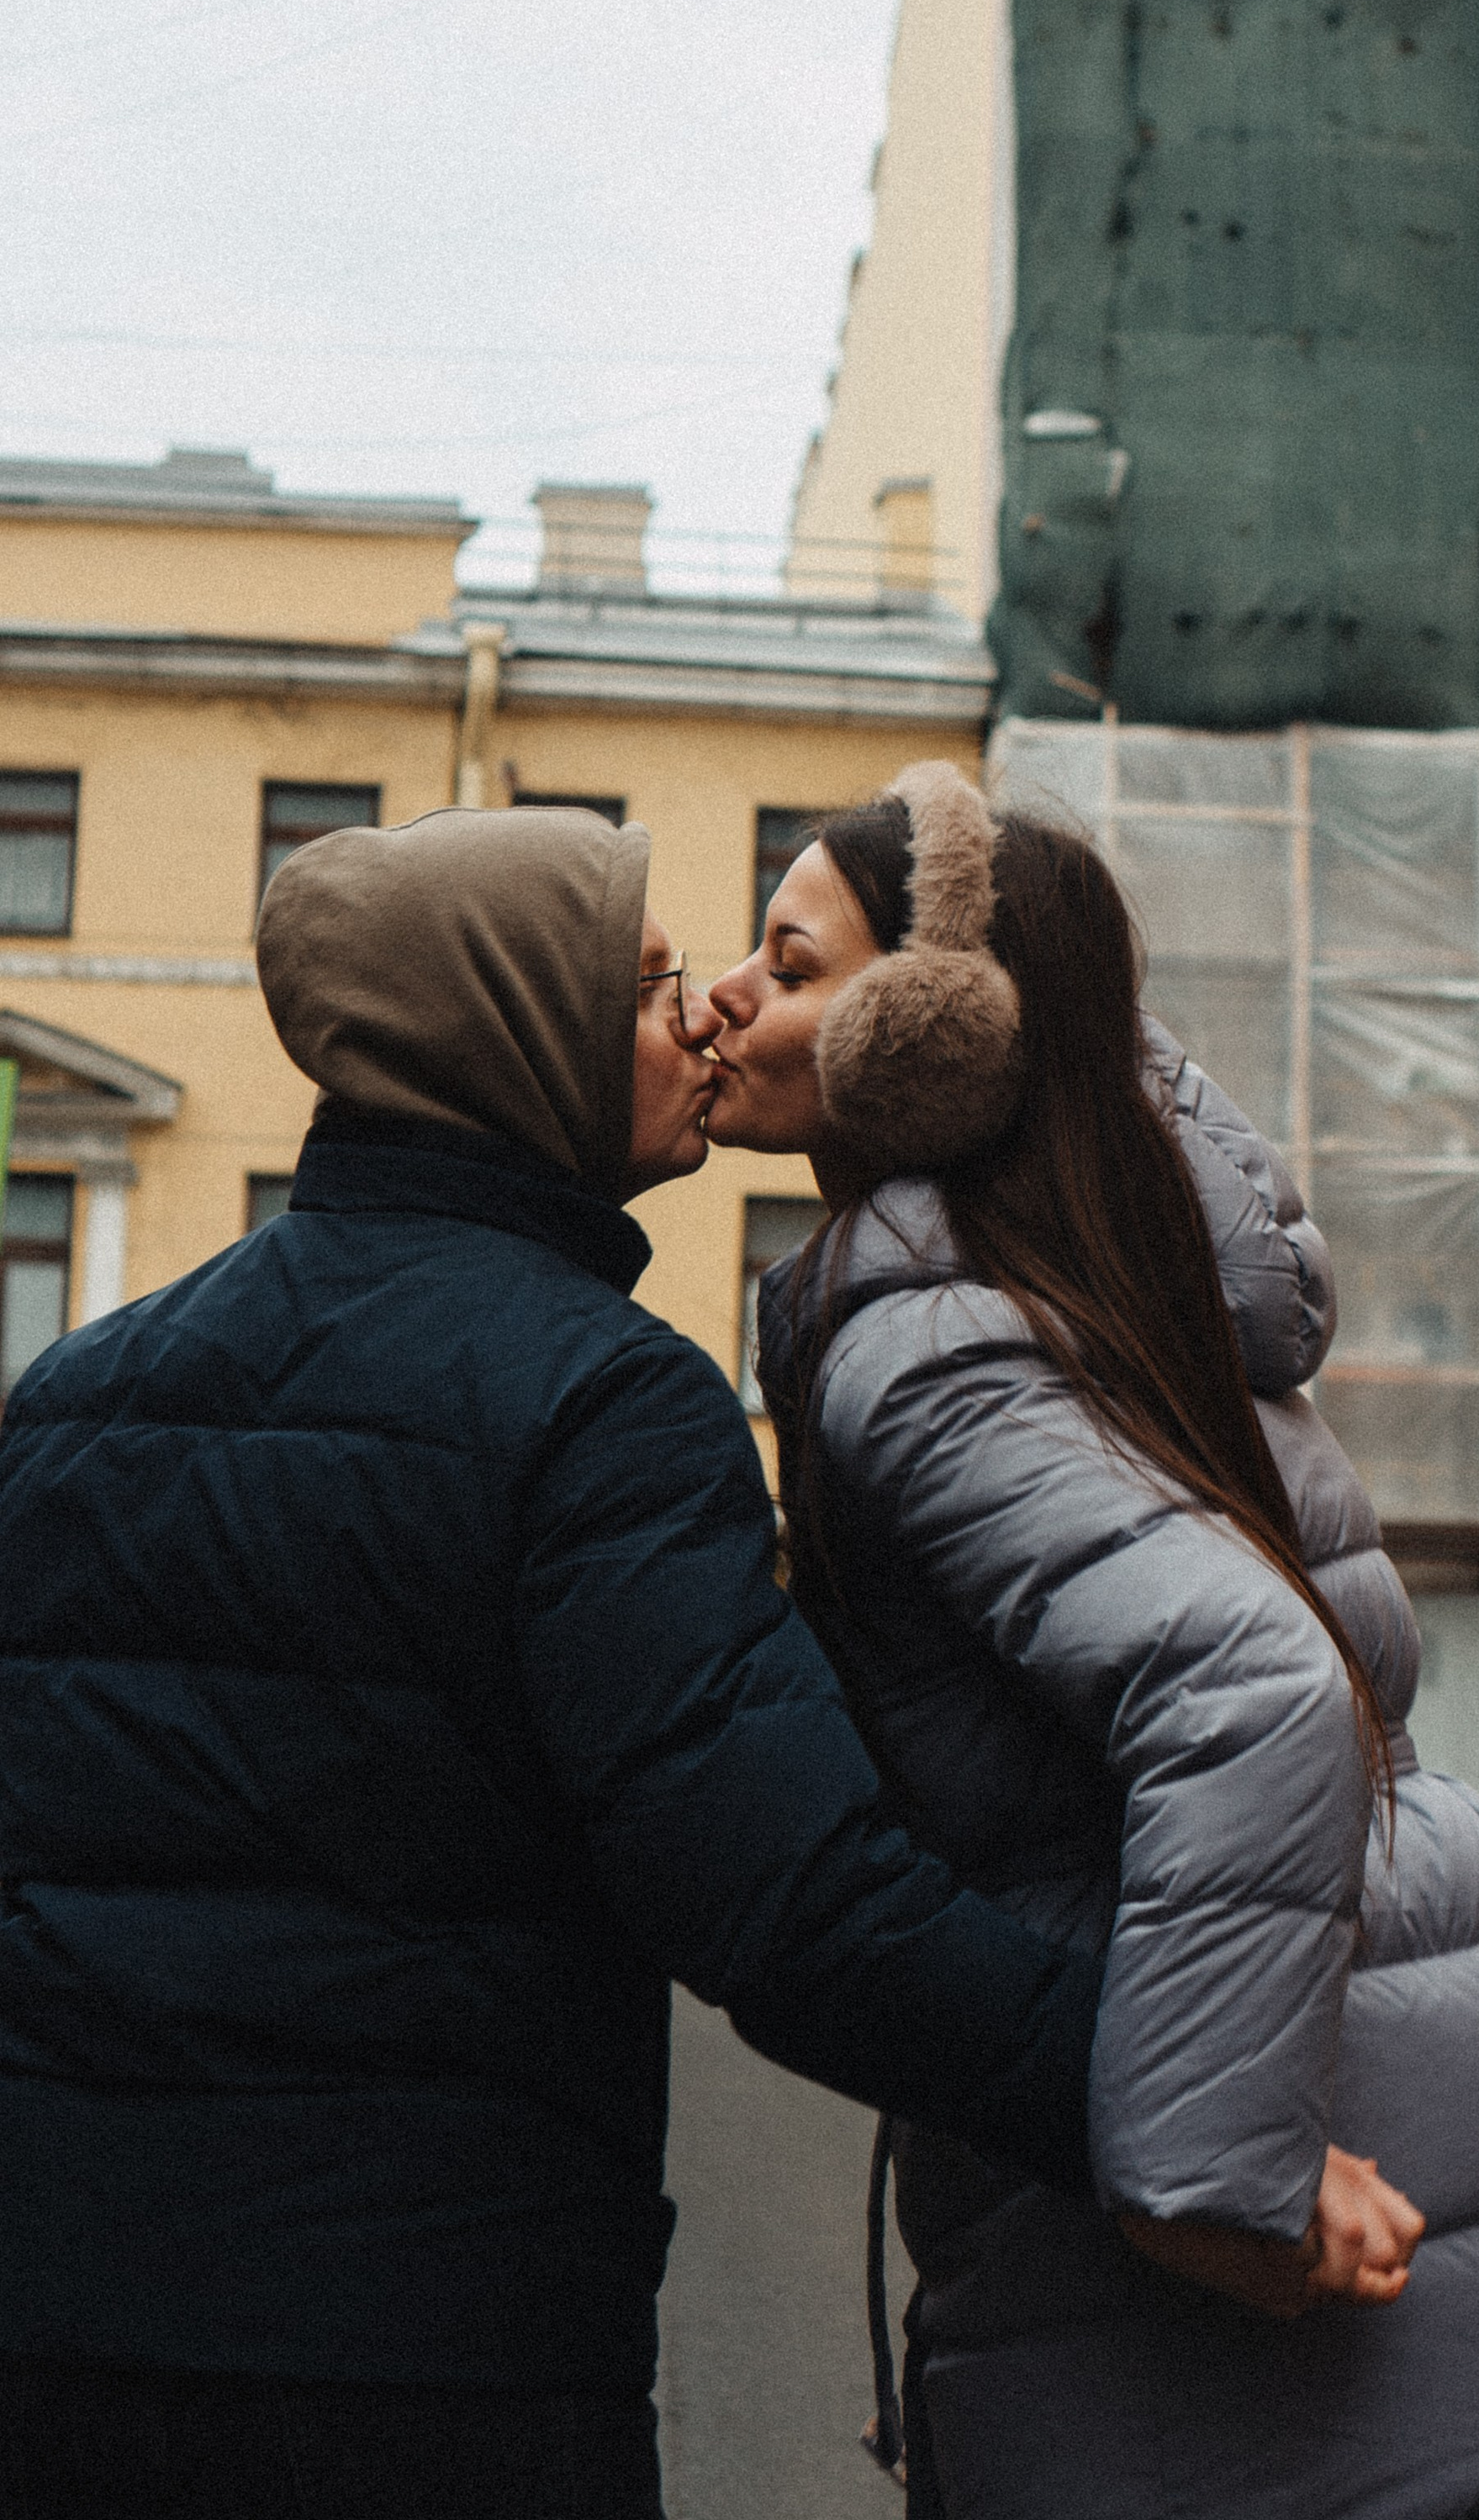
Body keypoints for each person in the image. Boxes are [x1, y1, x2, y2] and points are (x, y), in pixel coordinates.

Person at [0, 805, 1123, 2520]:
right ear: (515, 1042)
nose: (702, 1019)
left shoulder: (70, 1400)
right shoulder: (599, 1403)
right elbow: (793, 1905)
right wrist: (1169, 2108)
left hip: (56, 2339)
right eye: (653, 985)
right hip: (429, 2370)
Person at [705, 762, 1479, 2520]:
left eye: (793, 959)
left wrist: (1217, 2192)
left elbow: (1251, 1689)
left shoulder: (930, 1343)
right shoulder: (1114, 1296)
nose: (734, 998)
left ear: (932, 1033)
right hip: (1401, 2109)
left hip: (1252, 2216)